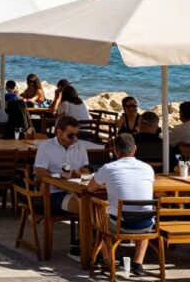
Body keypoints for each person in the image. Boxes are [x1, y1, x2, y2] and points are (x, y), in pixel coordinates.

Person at [88, 133, 155, 276]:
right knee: (142, 212)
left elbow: (90, 188)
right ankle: (138, 263)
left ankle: (109, 260)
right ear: (135, 149)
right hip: (146, 225)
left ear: (115, 150)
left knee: (96, 216)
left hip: (120, 224)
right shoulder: (148, 168)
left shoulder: (108, 168)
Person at [34, 115, 89, 259]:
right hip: (53, 193)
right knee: (85, 208)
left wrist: (81, 172)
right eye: (71, 135)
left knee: (93, 206)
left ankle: (87, 245)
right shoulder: (46, 147)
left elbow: (86, 169)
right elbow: (39, 172)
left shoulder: (80, 146)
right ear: (59, 132)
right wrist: (60, 176)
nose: (75, 138)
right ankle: (83, 248)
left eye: (77, 134)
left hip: (76, 190)